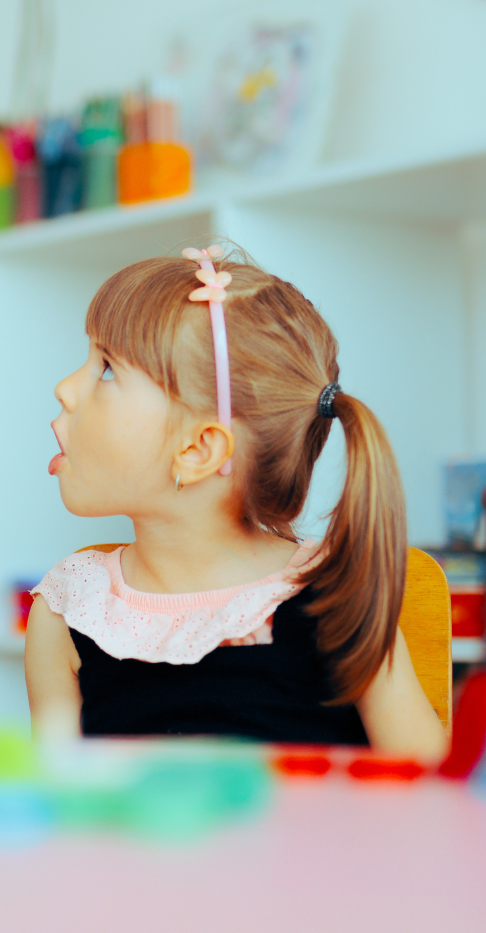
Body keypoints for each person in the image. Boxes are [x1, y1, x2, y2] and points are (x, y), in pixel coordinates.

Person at [25, 246, 448, 760]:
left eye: (107, 368)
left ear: (198, 450)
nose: (65, 388)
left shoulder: (334, 596)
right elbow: (56, 794)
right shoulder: (68, 609)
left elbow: (431, 785)